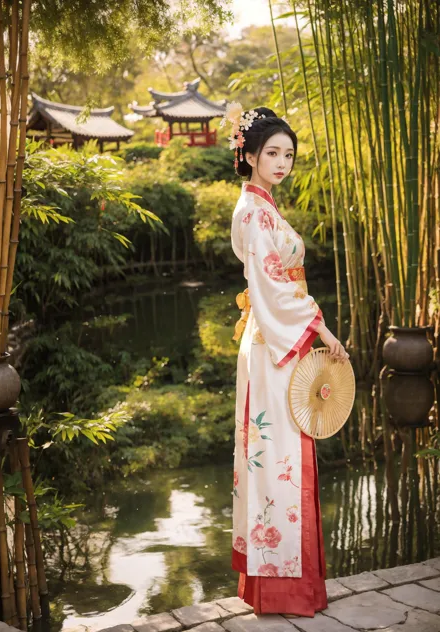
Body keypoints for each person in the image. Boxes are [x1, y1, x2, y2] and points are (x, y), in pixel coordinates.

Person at [225, 104, 349, 617]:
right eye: (272, 152)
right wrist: (320, 325)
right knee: (278, 457)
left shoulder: (265, 206)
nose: (281, 162)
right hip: (274, 342)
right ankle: (281, 588)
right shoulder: (252, 210)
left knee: (282, 454)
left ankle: (288, 584)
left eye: (288, 154)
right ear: (249, 154)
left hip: (275, 340)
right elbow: (273, 284)